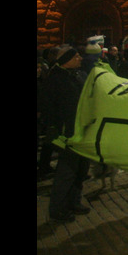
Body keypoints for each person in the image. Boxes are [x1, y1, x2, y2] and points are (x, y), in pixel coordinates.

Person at [46, 45, 91, 223]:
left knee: (81, 170)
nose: (80, 59)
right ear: (66, 61)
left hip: (82, 130)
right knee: (66, 171)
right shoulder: (55, 79)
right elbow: (48, 106)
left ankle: (74, 202)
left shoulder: (78, 75)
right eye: (77, 57)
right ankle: (57, 209)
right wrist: (53, 128)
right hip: (67, 133)